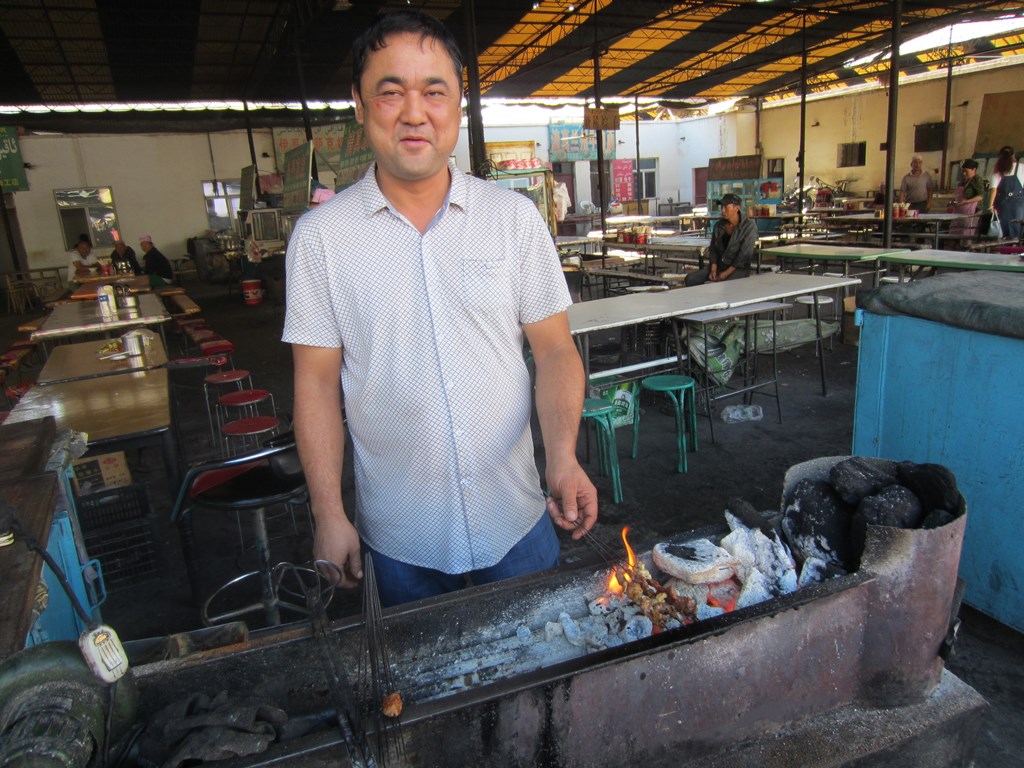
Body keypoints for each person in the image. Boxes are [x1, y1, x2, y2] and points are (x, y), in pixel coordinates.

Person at [282, 10, 598, 608]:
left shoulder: (512, 221)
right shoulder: (321, 239)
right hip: (402, 546)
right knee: (426, 697)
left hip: (519, 522)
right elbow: (317, 384)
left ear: (458, 105)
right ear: (359, 105)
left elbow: (555, 349)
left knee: (544, 681)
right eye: (390, 91)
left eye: (434, 91)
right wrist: (328, 511)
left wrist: (562, 456)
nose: (414, 112)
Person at [684, 193, 757, 286]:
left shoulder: (748, 226)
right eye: (722, 207)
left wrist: (726, 273)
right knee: (690, 279)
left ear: (737, 208)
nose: (723, 210)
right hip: (720, 267)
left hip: (739, 269)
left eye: (726, 207)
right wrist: (713, 269)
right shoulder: (719, 226)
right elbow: (714, 249)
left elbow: (743, 255)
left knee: (723, 285)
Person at [988, 145, 1024, 240]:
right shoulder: (1022, 167)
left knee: (1002, 230)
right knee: (1018, 228)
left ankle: (1001, 249)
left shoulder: (998, 169)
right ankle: (1015, 248)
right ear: (1013, 155)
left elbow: (993, 189)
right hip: (1019, 205)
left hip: (1002, 204)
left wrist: (990, 206)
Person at [948, 159, 987, 241]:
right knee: (957, 233)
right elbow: (958, 195)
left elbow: (981, 196)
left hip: (973, 212)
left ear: (974, 170)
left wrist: (966, 202)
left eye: (966, 171)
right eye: (963, 171)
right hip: (961, 211)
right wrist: (952, 202)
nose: (964, 173)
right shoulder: (963, 181)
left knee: (968, 234)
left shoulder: (977, 179)